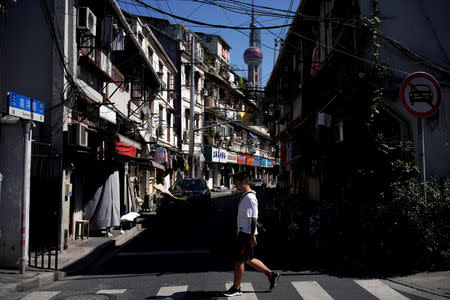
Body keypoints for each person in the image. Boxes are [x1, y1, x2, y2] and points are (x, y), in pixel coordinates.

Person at [223, 171, 280, 297]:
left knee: (238, 262)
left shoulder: (249, 197)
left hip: (246, 234)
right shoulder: (246, 195)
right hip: (244, 232)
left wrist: (252, 236)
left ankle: (236, 288)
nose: (236, 186)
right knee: (248, 259)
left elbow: (254, 218)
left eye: (237, 184)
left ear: (244, 182)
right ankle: (271, 275)